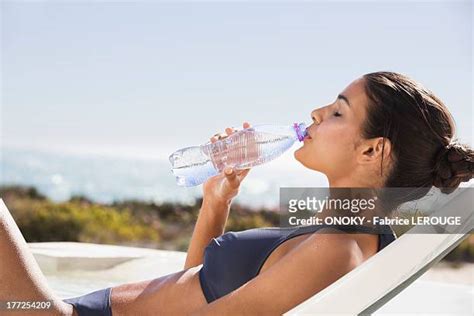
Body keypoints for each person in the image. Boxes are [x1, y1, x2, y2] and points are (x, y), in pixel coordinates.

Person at [0, 71, 472, 316]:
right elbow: (198, 289)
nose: (315, 111)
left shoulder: (336, 248)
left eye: (337, 113)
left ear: (373, 149)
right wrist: (216, 202)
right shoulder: (342, 233)